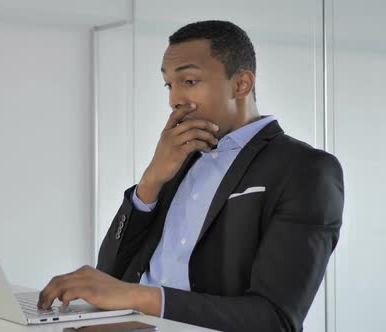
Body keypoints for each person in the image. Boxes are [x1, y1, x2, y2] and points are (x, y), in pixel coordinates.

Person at [37, 20, 344, 332]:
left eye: (189, 81)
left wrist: (137, 297)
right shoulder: (178, 159)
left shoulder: (306, 169)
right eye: (170, 85)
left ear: (241, 84)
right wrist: (151, 180)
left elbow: (274, 319)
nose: (174, 100)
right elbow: (110, 270)